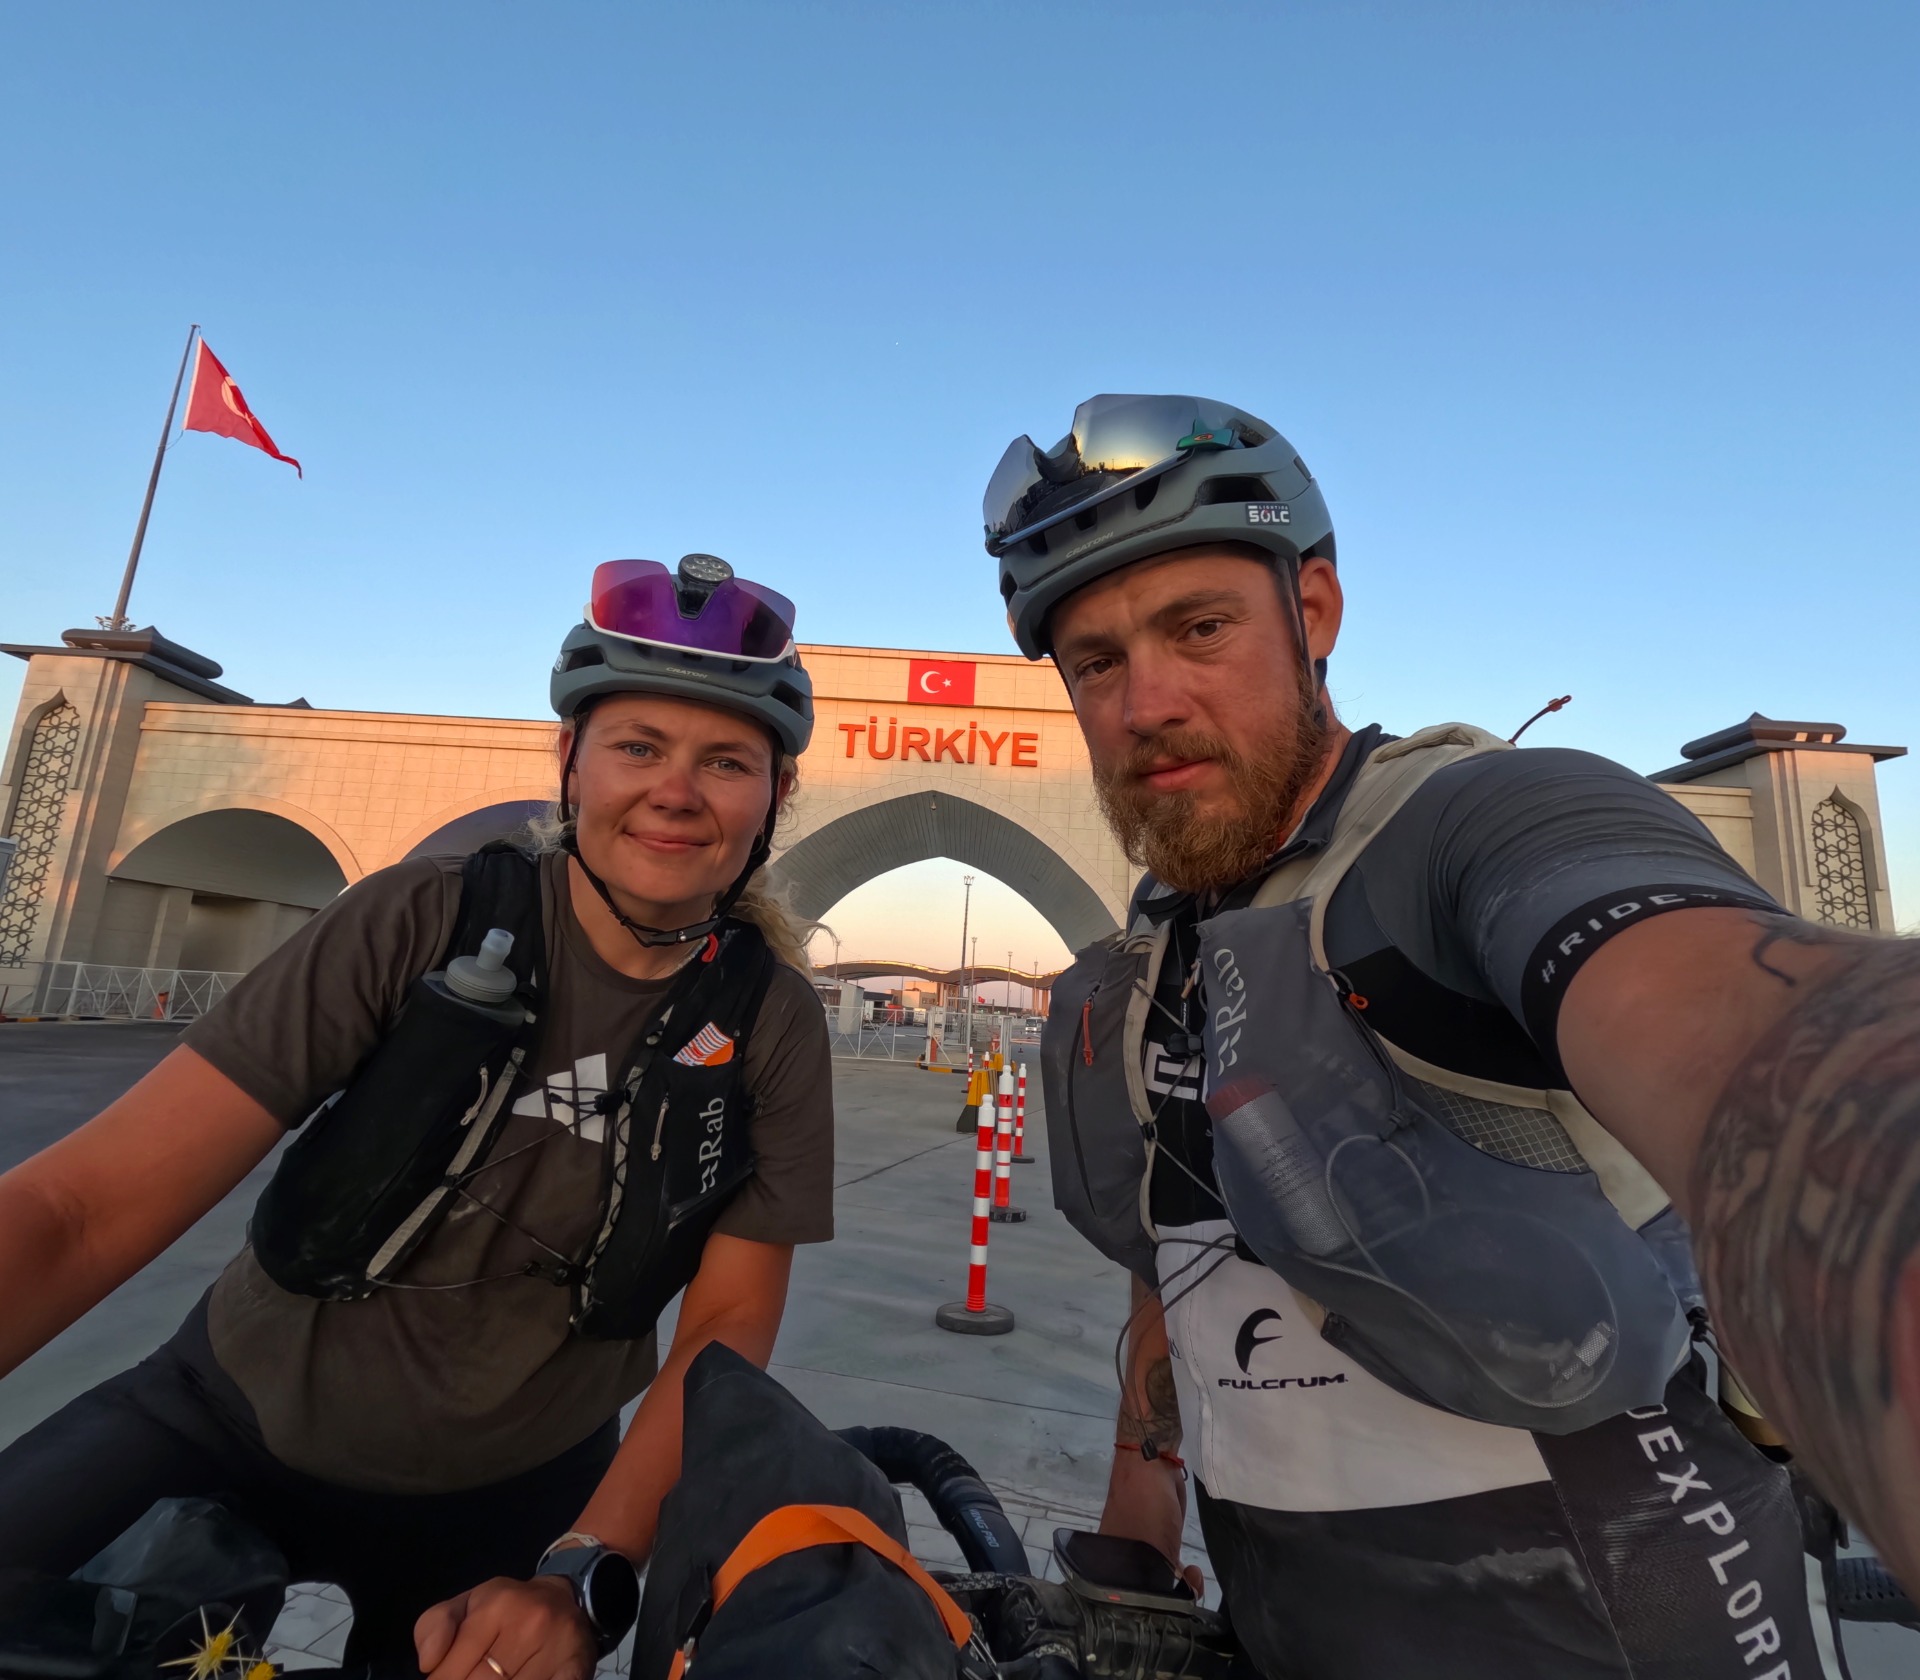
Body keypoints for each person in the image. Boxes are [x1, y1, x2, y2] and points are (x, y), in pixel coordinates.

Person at [988, 395, 1920, 1679]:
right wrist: (1137, 1533)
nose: (1146, 702)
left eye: (1199, 628)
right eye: (1096, 663)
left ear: (1314, 610)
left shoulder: (1466, 832)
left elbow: (1755, 1037)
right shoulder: (1160, 950)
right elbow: (1187, 1263)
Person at [0, 554, 834, 1680]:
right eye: (637, 746)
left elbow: (725, 1321)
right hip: (227, 1411)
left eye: (726, 762)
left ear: (775, 797)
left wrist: (584, 1572)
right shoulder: (418, 920)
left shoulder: (768, 1023)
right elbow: (81, 1207)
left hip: (517, 1490)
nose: (676, 792)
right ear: (570, 760)